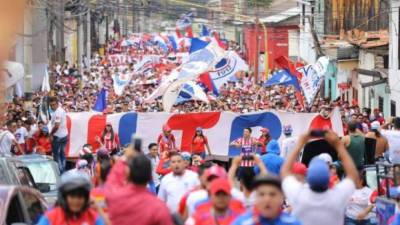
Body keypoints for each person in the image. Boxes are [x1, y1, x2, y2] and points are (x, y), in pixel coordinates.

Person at [280, 130, 358, 225]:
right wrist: (338, 145)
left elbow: (284, 172)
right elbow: (353, 175)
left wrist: (300, 144)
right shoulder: (338, 195)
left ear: (307, 176)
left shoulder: (299, 194)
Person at [105, 149, 173, 225]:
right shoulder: (159, 207)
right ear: (150, 176)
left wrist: (123, 159)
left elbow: (110, 182)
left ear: (127, 174)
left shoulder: (115, 198)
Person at [37, 170, 107, 225]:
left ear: (86, 198)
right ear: (64, 197)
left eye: (80, 196)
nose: (76, 200)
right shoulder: (52, 217)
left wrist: (98, 209)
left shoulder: (92, 216)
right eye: (72, 196)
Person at [232, 175, 302, 225]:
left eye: (272, 194)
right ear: (255, 197)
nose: (267, 199)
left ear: (281, 198)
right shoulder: (242, 222)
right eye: (262, 194)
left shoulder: (292, 222)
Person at [49, 96, 69, 172]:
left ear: (57, 104)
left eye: (54, 104)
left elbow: (57, 125)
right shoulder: (60, 110)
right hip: (64, 135)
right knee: (62, 155)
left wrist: (51, 134)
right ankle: (63, 171)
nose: (52, 106)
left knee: (57, 156)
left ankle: (60, 172)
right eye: (51, 105)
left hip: (58, 136)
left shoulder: (58, 112)